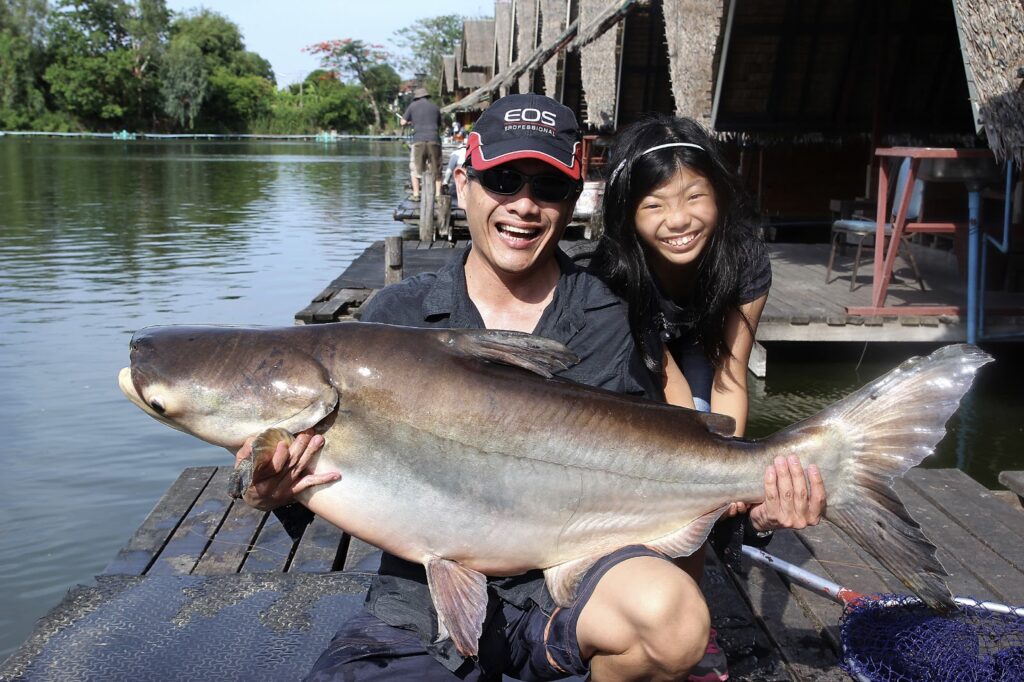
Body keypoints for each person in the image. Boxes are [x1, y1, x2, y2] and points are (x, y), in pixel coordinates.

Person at [238, 96, 825, 681]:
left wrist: (756, 506)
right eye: (504, 179)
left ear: (572, 203)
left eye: (548, 188)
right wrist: (271, 491)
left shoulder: (609, 316)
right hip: (419, 603)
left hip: (571, 587)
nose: (524, 204)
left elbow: (664, 466)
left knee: (673, 620)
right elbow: (338, 479)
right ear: (462, 182)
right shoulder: (397, 318)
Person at [592, 114, 815, 682]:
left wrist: (732, 469)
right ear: (627, 214)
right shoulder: (615, 269)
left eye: (695, 196)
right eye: (655, 206)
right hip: (643, 356)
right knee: (675, 464)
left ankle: (694, 607)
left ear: (718, 191)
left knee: (712, 476)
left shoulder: (743, 257)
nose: (679, 220)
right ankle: (659, 594)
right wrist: (702, 468)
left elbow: (730, 369)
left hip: (708, 344)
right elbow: (662, 381)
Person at [401, 87, 442, 200]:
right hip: (434, 139)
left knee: (415, 169)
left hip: (418, 140)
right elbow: (438, 124)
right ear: (427, 96)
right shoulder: (435, 107)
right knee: (437, 168)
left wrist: (411, 122)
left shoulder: (412, 106)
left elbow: (403, 122)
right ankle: (438, 194)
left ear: (416, 97)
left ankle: (416, 194)